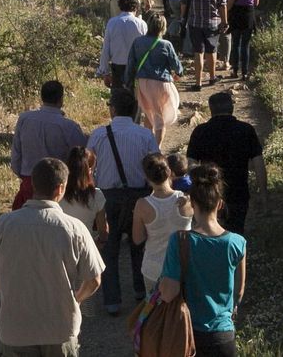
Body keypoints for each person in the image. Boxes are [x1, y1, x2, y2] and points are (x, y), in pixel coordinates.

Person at [0, 158, 106, 356]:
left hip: (15, 330)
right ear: (60, 188)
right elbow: (94, 280)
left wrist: (13, 294)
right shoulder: (75, 228)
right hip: (60, 329)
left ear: (34, 185)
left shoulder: (3, 224)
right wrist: (76, 299)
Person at [157, 165, 248, 357]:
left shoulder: (180, 241)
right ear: (220, 204)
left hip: (189, 335)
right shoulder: (237, 242)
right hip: (224, 337)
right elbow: (238, 292)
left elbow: (168, 292)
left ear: (192, 203)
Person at [86, 88, 160, 314]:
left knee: (110, 249)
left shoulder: (99, 134)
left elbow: (87, 164)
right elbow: (156, 164)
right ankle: (140, 290)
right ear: (135, 110)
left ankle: (112, 301)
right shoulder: (145, 135)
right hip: (139, 197)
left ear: (113, 109)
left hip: (107, 197)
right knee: (139, 245)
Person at [186, 92, 266, 235]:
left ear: (211, 110)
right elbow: (258, 163)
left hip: (208, 193)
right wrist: (263, 193)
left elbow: (191, 164)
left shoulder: (200, 131)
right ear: (231, 108)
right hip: (238, 192)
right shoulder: (245, 130)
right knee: (236, 232)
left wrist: (193, 190)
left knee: (208, 233)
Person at [9, 81, 87, 210]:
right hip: (57, 185)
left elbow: (16, 152)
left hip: (29, 180)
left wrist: (22, 174)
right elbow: (82, 156)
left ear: (42, 97)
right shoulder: (69, 126)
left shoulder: (24, 119)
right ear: (61, 99)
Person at [132, 153, 194, 292]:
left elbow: (138, 238)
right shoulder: (187, 200)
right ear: (170, 172)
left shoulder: (142, 205)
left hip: (154, 268)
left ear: (147, 178)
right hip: (183, 266)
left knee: (154, 305)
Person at [126, 14, 183, 142]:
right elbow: (176, 65)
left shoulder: (138, 42)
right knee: (159, 117)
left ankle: (148, 144)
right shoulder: (166, 44)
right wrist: (179, 73)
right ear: (163, 27)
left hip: (143, 83)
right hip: (160, 83)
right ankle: (156, 148)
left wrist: (128, 81)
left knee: (148, 114)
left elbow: (131, 63)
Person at [180, 0, 228, 89]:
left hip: (195, 21)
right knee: (212, 51)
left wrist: (183, 18)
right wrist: (224, 22)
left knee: (198, 52)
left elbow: (184, 1)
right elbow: (222, 5)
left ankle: (198, 82)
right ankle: (212, 77)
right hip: (213, 22)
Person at [60, 146, 108, 244]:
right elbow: (103, 232)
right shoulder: (96, 195)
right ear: (89, 170)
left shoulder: (59, 192)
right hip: (85, 244)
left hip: (61, 244)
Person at [98, 0, 148, 88]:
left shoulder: (112, 22)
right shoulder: (142, 24)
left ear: (120, 7)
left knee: (119, 94)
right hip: (136, 67)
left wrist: (105, 72)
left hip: (118, 67)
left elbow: (106, 49)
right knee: (135, 94)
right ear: (135, 8)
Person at [226, 0, 261, 80]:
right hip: (249, 15)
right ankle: (245, 72)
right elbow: (256, 2)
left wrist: (225, 12)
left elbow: (231, 1)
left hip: (237, 15)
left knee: (236, 43)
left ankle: (235, 70)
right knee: (246, 45)